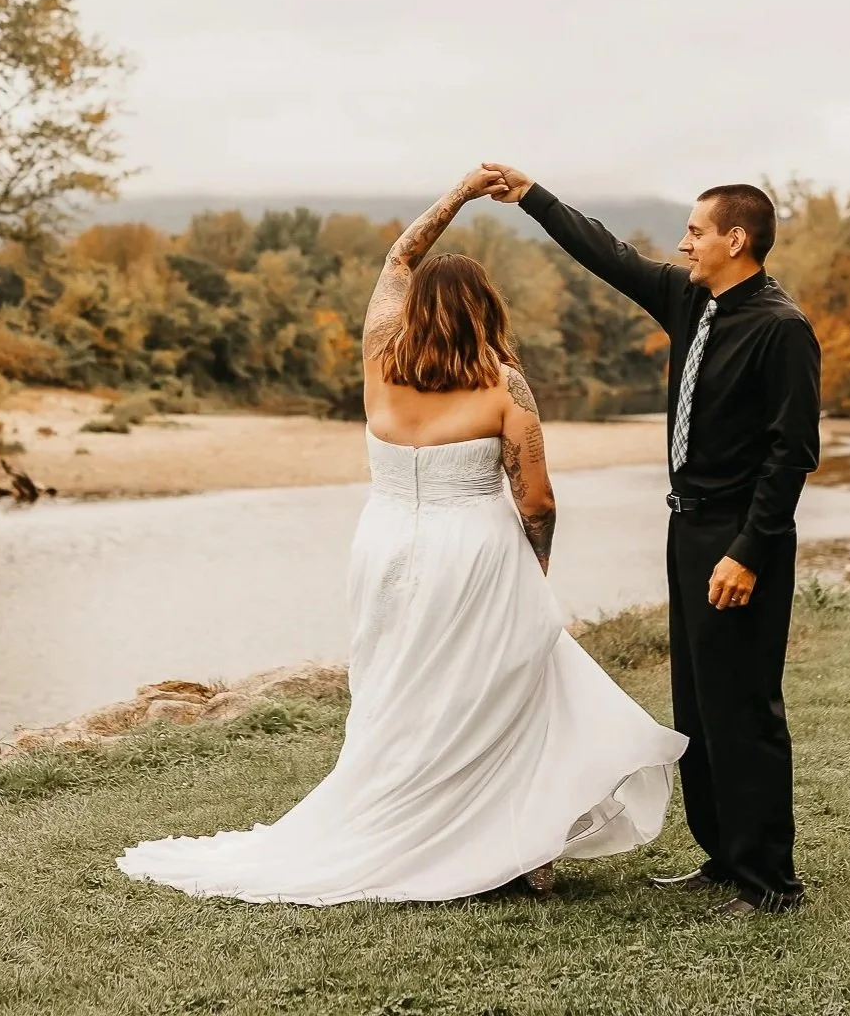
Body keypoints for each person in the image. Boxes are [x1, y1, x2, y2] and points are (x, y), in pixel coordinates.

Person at [117, 168, 685, 904]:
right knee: (498, 688)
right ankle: (517, 846)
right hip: (476, 550)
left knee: (400, 691)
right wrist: (535, 560)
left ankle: (443, 829)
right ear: (487, 309)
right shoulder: (504, 387)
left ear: (415, 308)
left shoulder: (379, 358)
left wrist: (455, 196)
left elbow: (397, 258)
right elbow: (536, 498)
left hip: (384, 547)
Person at [483, 164, 821, 915]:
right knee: (697, 701)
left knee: (744, 704)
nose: (682, 243)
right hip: (685, 525)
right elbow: (607, 253)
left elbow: (790, 453)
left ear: (737, 239)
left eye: (696, 232)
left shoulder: (780, 326)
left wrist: (747, 551)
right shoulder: (689, 299)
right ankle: (722, 856)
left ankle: (770, 881)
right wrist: (532, 197)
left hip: (738, 537)